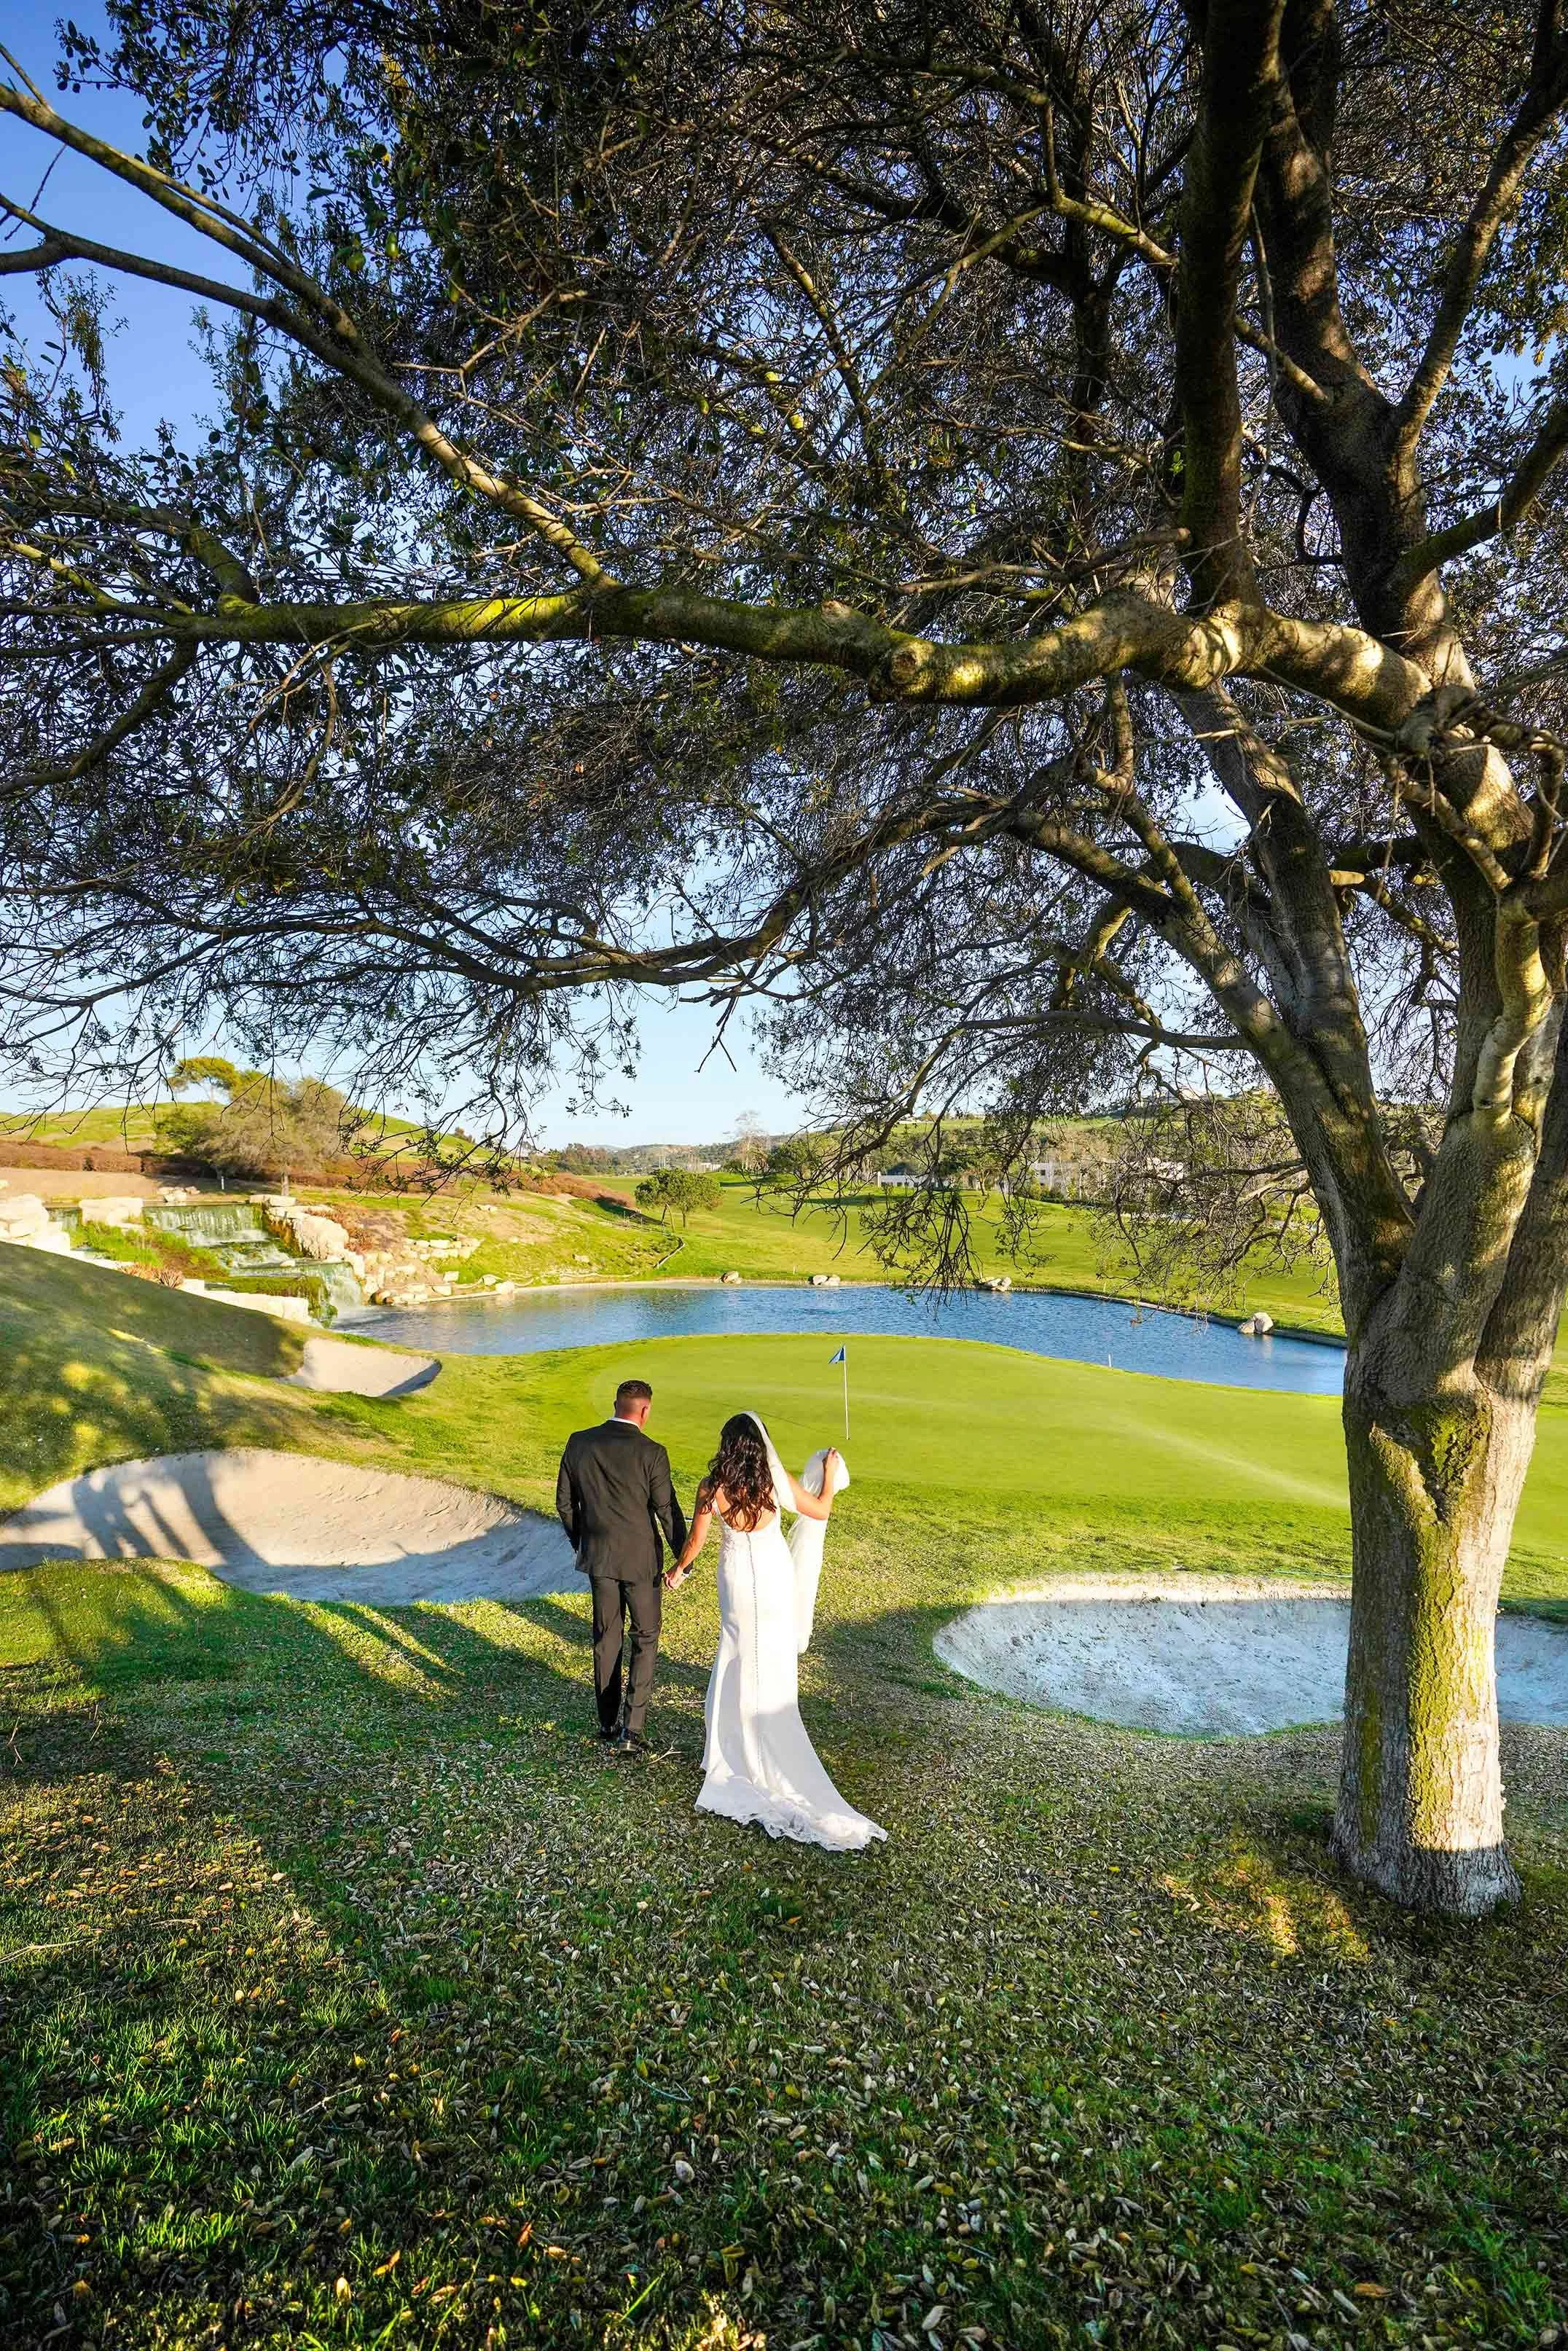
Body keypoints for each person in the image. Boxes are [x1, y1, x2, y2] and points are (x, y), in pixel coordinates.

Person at [665, 1412, 885, 1852]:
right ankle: (768, 1732)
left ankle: (732, 1750)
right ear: (761, 1445)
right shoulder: (774, 1480)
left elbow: (695, 1542)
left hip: (737, 1579)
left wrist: (678, 1571)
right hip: (774, 1573)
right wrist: (826, 1475)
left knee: (737, 1652)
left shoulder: (712, 1487)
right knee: (773, 1657)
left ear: (728, 1444)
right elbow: (820, 1510)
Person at [555, 1377, 688, 1756]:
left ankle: (606, 1721)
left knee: (606, 1636)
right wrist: (685, 1558)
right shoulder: (653, 1453)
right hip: (642, 1562)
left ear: (616, 1405)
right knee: (644, 1638)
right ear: (644, 1411)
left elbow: (565, 1504)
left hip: (599, 1558)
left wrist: (583, 1542)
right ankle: (632, 1730)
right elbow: (666, 1511)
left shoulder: (579, 1442)